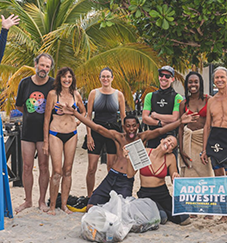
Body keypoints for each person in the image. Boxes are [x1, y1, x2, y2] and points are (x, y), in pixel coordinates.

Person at [60, 103, 196, 211]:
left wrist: (180, 122)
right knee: (90, 207)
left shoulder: (142, 138)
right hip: (111, 176)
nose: (131, 129)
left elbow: (161, 130)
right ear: (123, 127)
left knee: (121, 210)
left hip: (126, 181)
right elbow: (97, 127)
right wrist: (75, 113)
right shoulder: (118, 137)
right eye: (128, 126)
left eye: (133, 126)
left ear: (138, 126)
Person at [14, 53, 55, 213]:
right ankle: (28, 200)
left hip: (45, 133)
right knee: (26, 166)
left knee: (44, 167)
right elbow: (19, 106)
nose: (44, 68)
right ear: (36, 64)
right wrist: (32, 114)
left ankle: (42, 200)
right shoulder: (24, 83)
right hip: (28, 131)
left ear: (50, 68)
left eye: (47, 66)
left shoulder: (53, 84)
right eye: (42, 65)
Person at [43, 67, 86, 215]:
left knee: (67, 171)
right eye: (64, 77)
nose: (67, 80)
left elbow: (84, 112)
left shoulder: (76, 94)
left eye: (69, 77)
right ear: (59, 79)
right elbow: (47, 118)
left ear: (72, 79)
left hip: (71, 134)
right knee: (56, 172)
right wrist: (46, 142)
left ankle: (64, 205)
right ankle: (53, 205)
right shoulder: (52, 95)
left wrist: (77, 122)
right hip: (55, 134)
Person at [124, 135, 191, 225]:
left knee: (184, 219)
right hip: (146, 194)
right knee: (162, 217)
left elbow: (173, 180)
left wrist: (175, 177)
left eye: (172, 145)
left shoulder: (170, 157)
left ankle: (164, 210)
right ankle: (163, 212)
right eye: (168, 140)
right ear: (162, 140)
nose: (168, 144)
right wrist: (129, 160)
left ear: (170, 150)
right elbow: (130, 175)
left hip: (163, 193)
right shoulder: (145, 152)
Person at [84, 67, 126, 198]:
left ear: (112, 78)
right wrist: (89, 135)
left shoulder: (119, 95)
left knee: (111, 167)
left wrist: (124, 138)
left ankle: (110, 195)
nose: (105, 79)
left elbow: (123, 117)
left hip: (113, 132)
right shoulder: (94, 93)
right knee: (91, 168)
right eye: (103, 76)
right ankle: (90, 195)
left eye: (108, 76)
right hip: (96, 130)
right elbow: (88, 116)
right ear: (100, 78)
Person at [178, 71, 213, 178]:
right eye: (190, 82)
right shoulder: (184, 103)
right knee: (189, 172)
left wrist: (207, 148)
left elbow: (212, 123)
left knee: (206, 172)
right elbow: (180, 127)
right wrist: (181, 149)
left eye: (196, 82)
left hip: (204, 140)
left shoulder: (209, 100)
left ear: (200, 83)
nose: (193, 85)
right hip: (188, 140)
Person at [142, 65, 183, 151]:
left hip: (169, 138)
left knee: (171, 163)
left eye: (167, 76)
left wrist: (155, 115)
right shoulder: (150, 96)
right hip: (153, 136)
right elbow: (145, 118)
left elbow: (174, 118)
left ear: (172, 79)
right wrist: (160, 123)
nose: (164, 78)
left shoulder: (177, 97)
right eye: (161, 75)